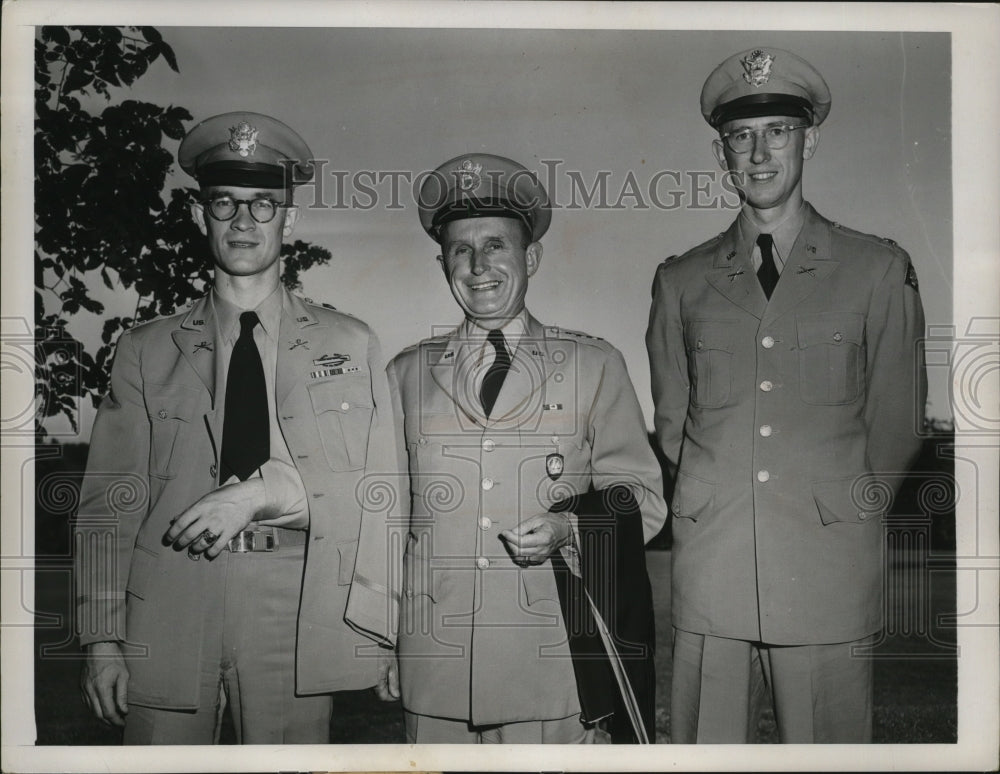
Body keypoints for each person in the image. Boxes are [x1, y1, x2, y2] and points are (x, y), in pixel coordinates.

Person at [74, 111, 399, 744]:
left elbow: (377, 496)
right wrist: (101, 637)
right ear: (201, 217)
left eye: (263, 205)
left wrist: (378, 625)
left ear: (290, 220)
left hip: (296, 605)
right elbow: (108, 504)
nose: (244, 222)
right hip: (167, 602)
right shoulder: (147, 349)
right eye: (224, 204)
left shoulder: (349, 342)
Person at [645, 48, 928, 743]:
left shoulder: (877, 268)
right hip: (715, 565)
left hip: (825, 567)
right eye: (742, 136)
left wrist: (842, 515)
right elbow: (676, 422)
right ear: (722, 154)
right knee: (705, 752)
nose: (761, 152)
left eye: (779, 130)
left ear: (811, 140)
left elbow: (896, 426)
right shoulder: (680, 281)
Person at [360, 153, 668, 743]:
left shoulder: (592, 365)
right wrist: (380, 641)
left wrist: (570, 528)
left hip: (552, 660)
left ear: (531, 257)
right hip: (435, 662)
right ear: (441, 262)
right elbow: (384, 521)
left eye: (496, 245)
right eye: (459, 250)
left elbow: (643, 499)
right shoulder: (404, 374)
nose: (478, 266)